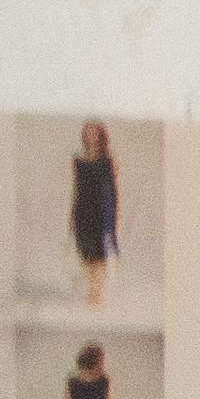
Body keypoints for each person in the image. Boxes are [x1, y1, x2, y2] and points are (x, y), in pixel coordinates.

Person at [68, 121, 118, 284]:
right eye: (87, 133)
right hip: (82, 210)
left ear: (100, 136)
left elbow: (113, 192)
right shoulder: (78, 161)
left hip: (101, 211)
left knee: (100, 254)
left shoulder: (109, 161)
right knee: (85, 251)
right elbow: (76, 190)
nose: (90, 136)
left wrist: (112, 219)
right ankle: (91, 286)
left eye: (94, 133)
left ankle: (97, 291)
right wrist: (71, 216)